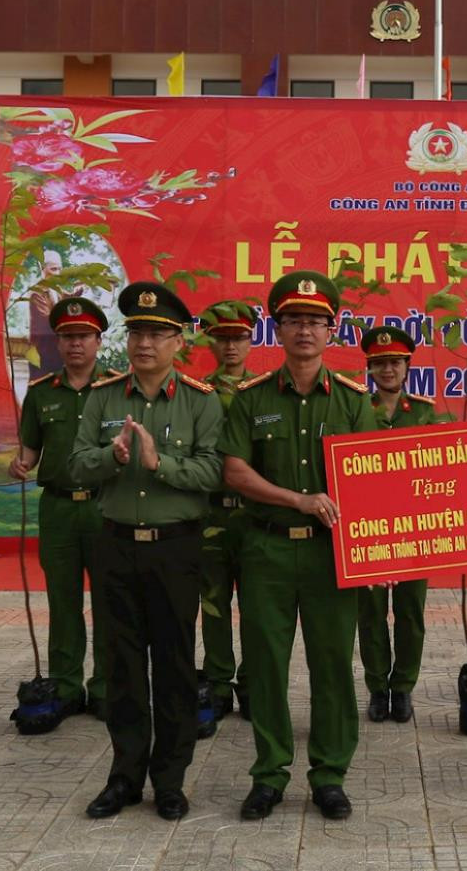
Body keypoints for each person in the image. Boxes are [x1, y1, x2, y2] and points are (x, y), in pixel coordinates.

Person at [221, 271, 377, 822]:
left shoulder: (356, 403)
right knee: (265, 665)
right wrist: (300, 499)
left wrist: (385, 548)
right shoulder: (251, 399)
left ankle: (330, 775)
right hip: (266, 551)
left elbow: (373, 478)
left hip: (332, 555)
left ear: (331, 330)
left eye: (315, 321)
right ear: (278, 329)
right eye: (294, 320)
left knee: (332, 665)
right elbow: (236, 472)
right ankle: (269, 775)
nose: (304, 330)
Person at [71, 282, 224, 821]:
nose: (145, 343)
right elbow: (75, 465)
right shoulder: (104, 396)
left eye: (158, 333)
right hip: (115, 545)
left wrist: (162, 466)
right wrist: (112, 458)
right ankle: (124, 777)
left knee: (175, 666)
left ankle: (171, 780)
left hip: (175, 549)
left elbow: (212, 472)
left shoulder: (202, 402)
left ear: (178, 342)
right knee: (123, 666)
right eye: (137, 331)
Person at [8, 296, 121, 723]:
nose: (76, 344)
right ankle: (66, 684)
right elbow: (30, 451)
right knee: (63, 600)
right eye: (68, 337)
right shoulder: (41, 395)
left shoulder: (116, 389)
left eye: (84, 336)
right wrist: (20, 463)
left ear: (98, 340)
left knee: (109, 600)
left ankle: (107, 686)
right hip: (57, 509)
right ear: (57, 342)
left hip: (105, 507)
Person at [356, 325, 438, 725]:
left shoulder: (424, 411)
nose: (388, 370)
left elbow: (445, 467)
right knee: (370, 611)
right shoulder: (355, 409)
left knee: (410, 612)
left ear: (407, 366)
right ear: (370, 368)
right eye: (380, 363)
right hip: (368, 529)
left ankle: (403, 687)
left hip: (414, 529)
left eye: (395, 362)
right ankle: (377, 688)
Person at [199, 298, 258, 721]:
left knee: (258, 606)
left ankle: (254, 684)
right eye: (222, 338)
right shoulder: (197, 394)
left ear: (251, 340)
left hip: (255, 516)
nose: (231, 346)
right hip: (212, 515)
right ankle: (218, 682)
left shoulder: (264, 392)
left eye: (238, 337)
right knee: (213, 604)